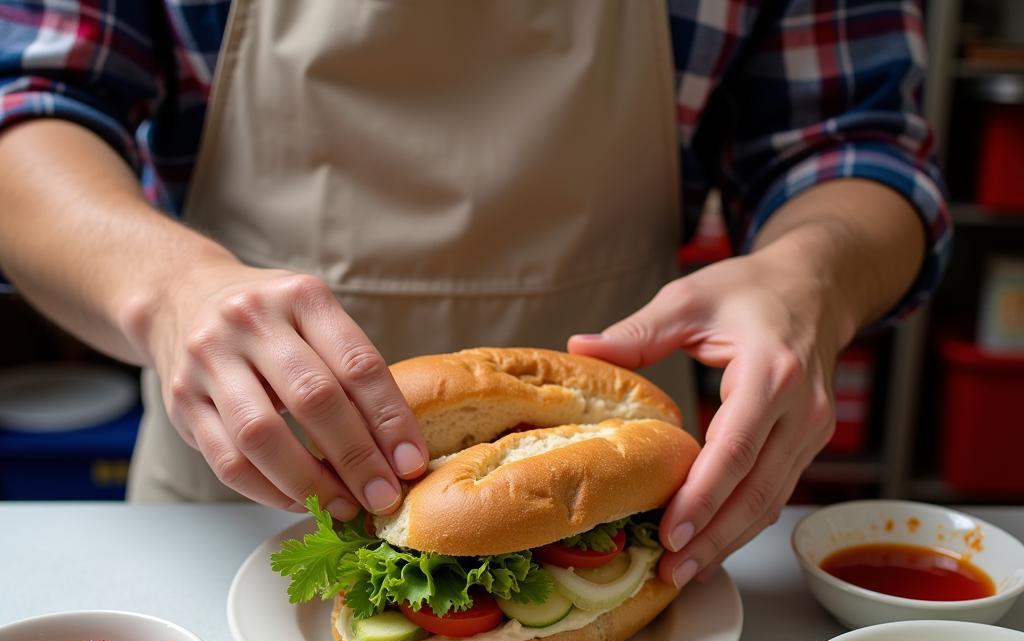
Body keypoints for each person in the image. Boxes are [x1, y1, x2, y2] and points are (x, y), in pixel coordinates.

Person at [0, 1, 949, 589]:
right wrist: (169, 290)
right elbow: (29, 108)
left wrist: (805, 281)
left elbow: (852, 145)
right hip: (236, 504)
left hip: (638, 508)